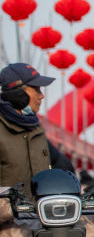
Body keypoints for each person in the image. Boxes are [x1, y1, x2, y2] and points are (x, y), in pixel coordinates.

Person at [0, 63, 74, 194]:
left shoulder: (36, 128)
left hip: (39, 213)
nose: (41, 96)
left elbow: (61, 163)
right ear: (18, 93)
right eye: (37, 90)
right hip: (7, 214)